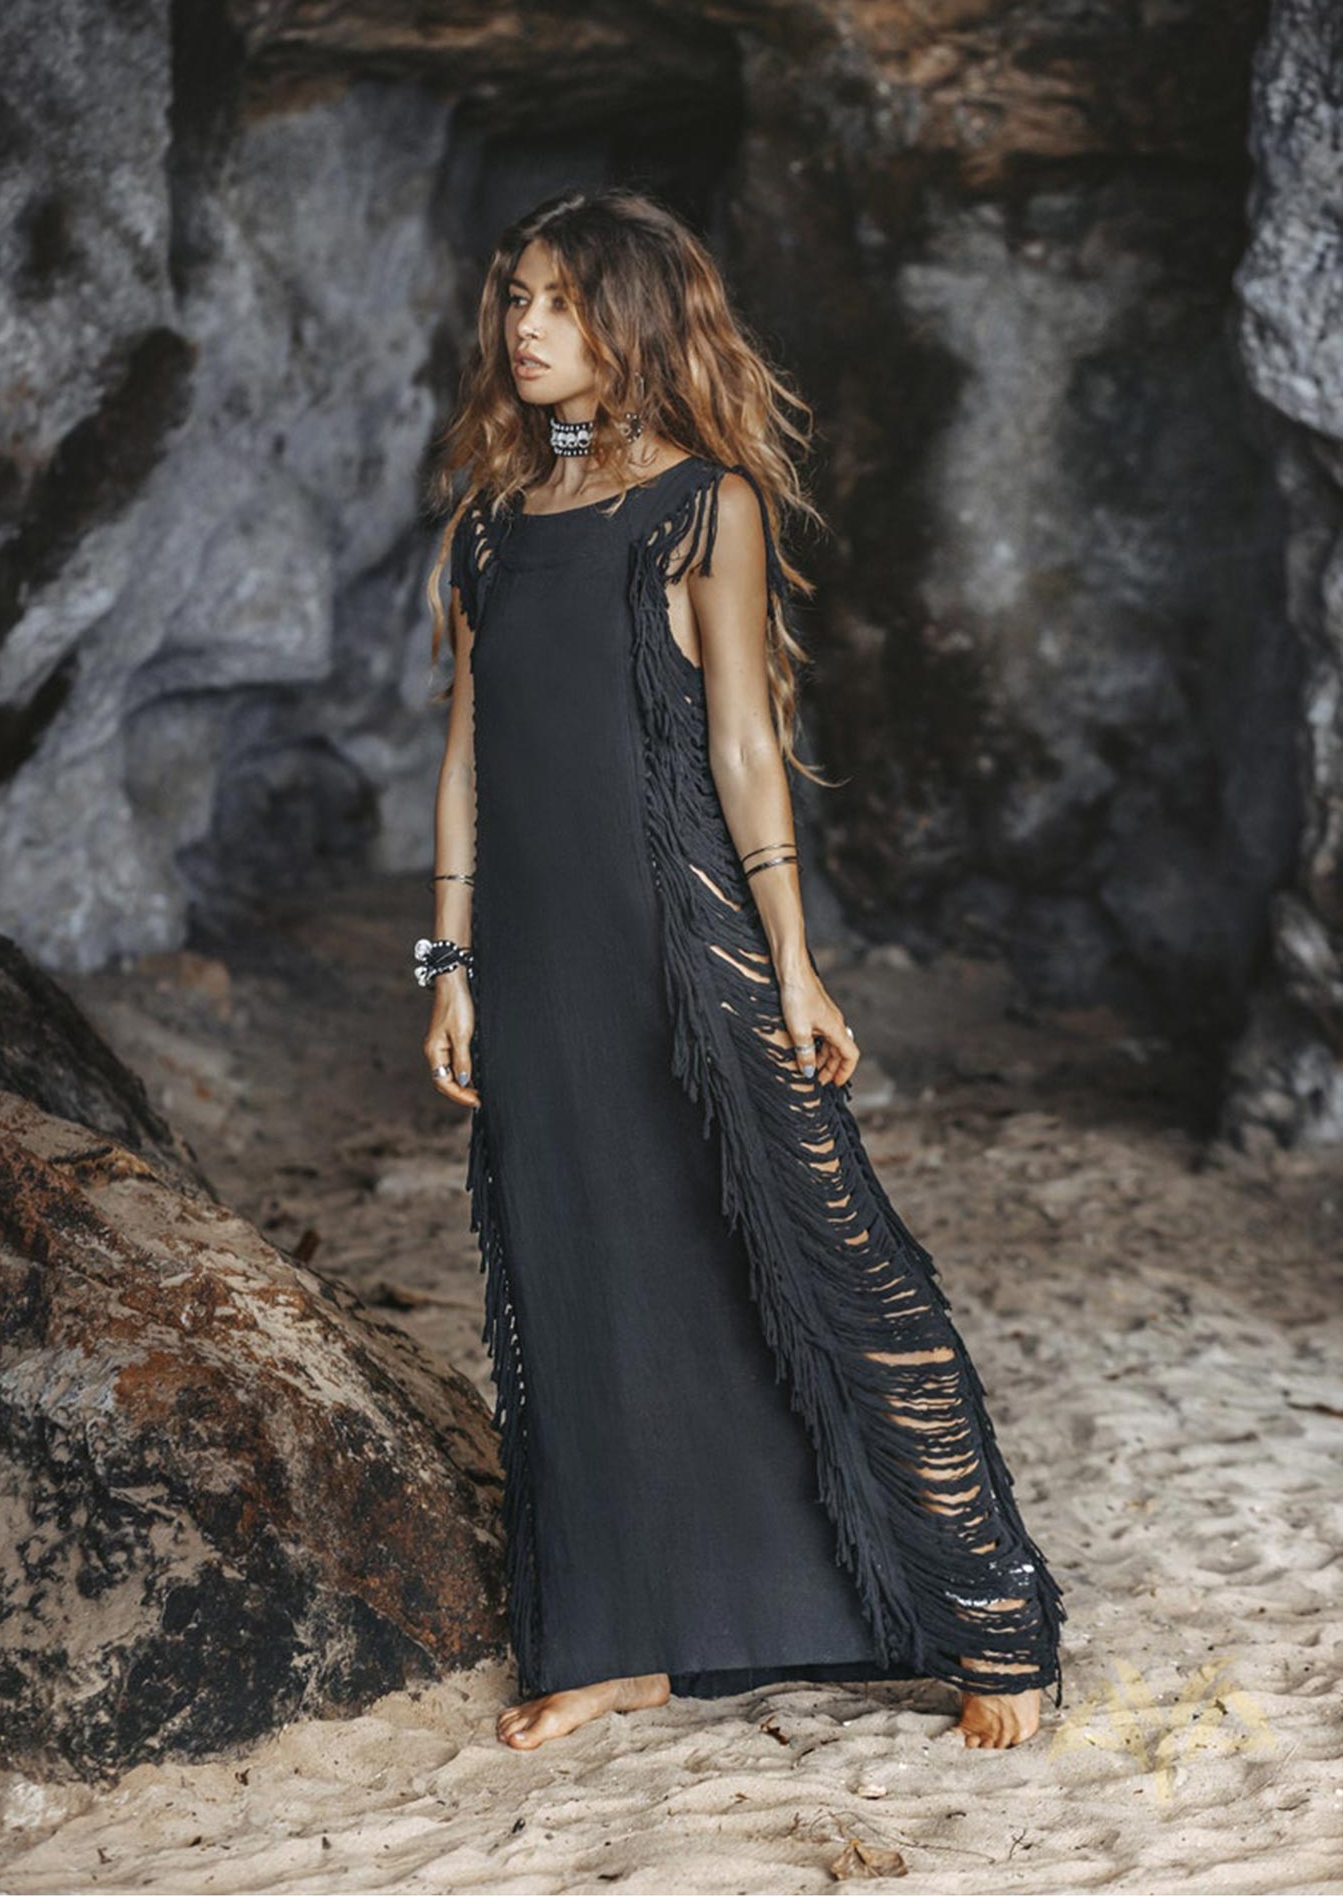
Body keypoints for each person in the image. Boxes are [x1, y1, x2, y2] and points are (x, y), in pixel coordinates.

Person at [420, 188, 1065, 1755]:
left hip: (678, 932)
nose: (524, 328)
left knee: (822, 1257)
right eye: (516, 296)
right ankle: (626, 1639)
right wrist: (446, 961)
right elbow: (462, 754)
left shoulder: (702, 505)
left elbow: (741, 745)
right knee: (580, 1276)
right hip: (534, 955)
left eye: (561, 303)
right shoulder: (486, 529)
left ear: (631, 323)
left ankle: (994, 1631)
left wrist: (793, 963)